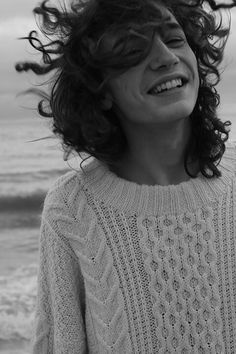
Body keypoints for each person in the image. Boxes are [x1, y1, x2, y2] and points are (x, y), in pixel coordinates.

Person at [16, 0, 236, 352]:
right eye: (133, 51)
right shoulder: (72, 210)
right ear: (101, 91)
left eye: (175, 39)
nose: (165, 57)